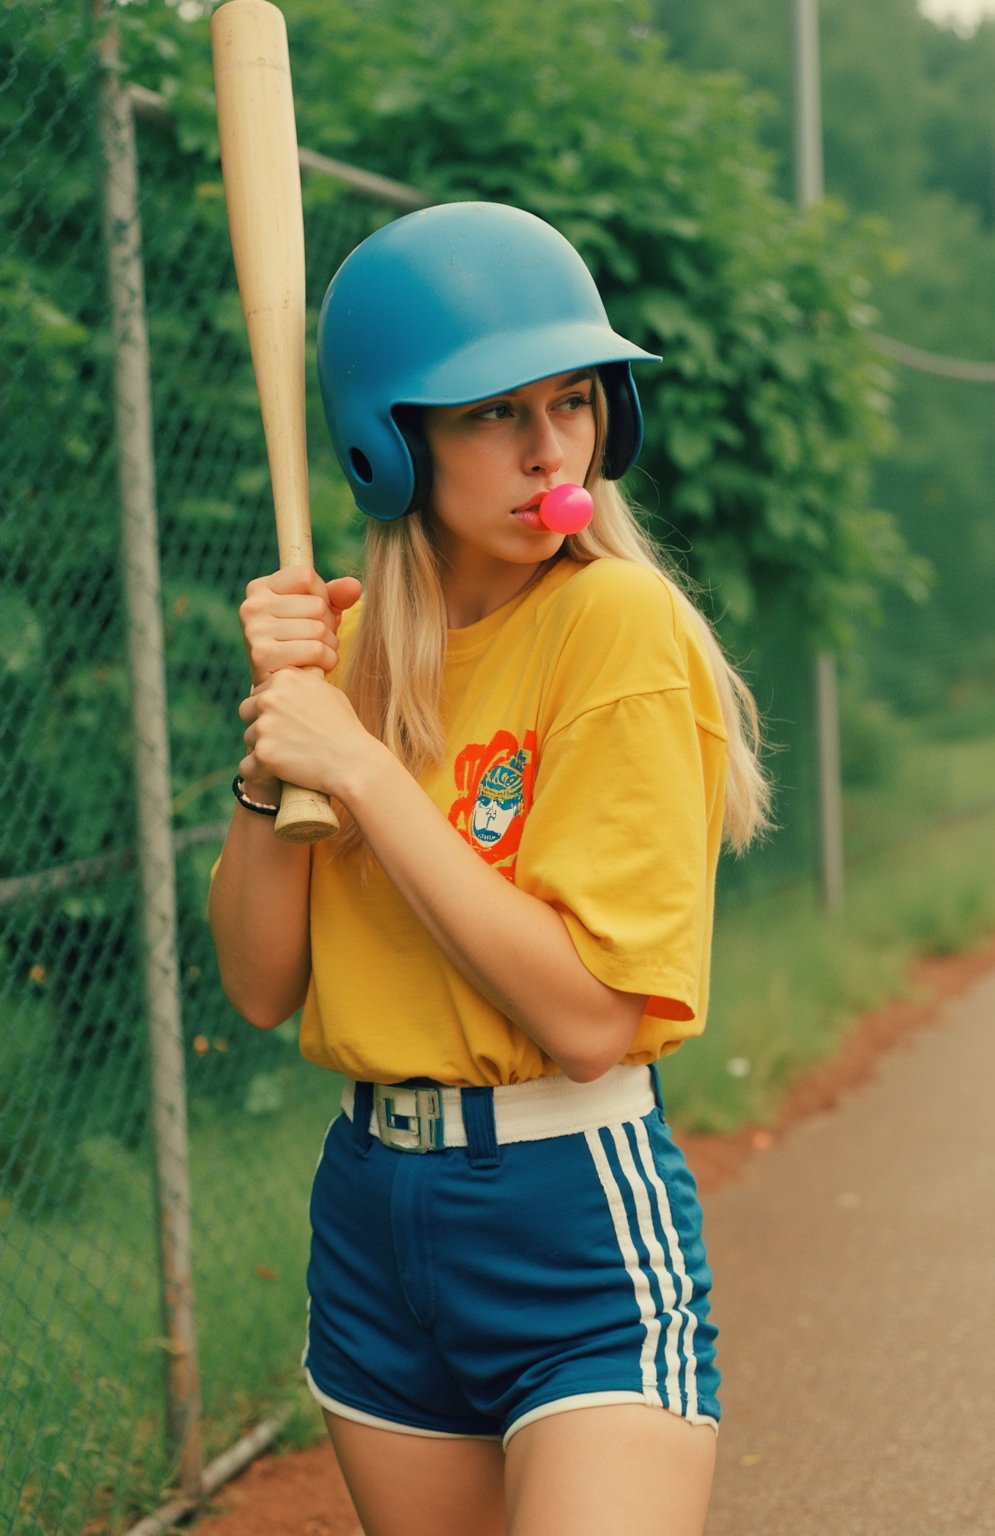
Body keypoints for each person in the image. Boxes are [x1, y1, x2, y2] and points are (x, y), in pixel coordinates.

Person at [208, 201, 770, 1536]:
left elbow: (587, 1018)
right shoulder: (349, 667)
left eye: (573, 402)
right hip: (371, 1224)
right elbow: (256, 983)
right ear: (391, 445)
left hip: (569, 1217)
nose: (549, 450)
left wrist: (356, 773)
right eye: (490, 414)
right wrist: (279, 731)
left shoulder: (614, 623)